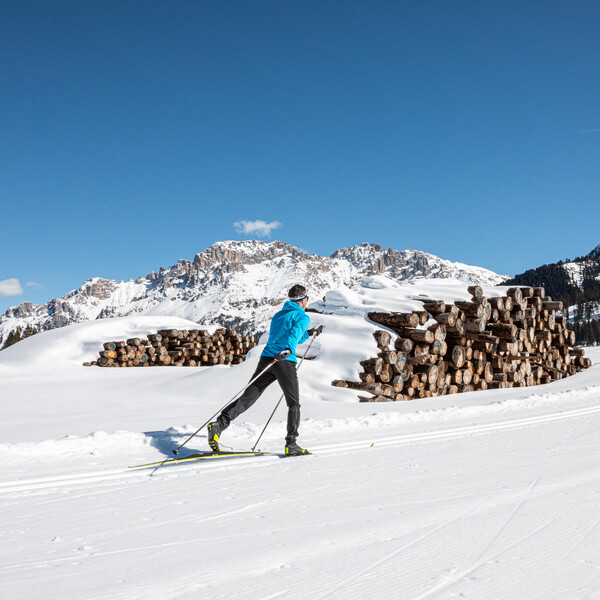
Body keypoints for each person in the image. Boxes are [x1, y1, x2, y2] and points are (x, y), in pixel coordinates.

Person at [207, 284, 321, 456]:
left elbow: (293, 334)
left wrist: (309, 333)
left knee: (247, 398)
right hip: (284, 361)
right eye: (307, 299)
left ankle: (218, 425)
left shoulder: (278, 315)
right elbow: (293, 336)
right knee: (293, 403)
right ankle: (292, 444)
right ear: (303, 301)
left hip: (267, 359)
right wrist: (289, 350)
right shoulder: (302, 316)